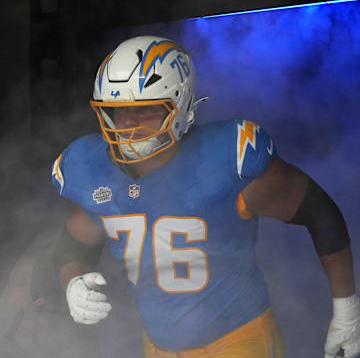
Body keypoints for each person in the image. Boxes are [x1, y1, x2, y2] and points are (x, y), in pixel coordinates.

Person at [51, 35, 360, 358]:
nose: (127, 124)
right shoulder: (91, 168)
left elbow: (321, 214)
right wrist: (73, 283)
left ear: (181, 106)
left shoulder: (226, 158)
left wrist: (347, 311)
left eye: (144, 110)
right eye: (117, 111)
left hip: (238, 342)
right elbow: (74, 244)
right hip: (158, 348)